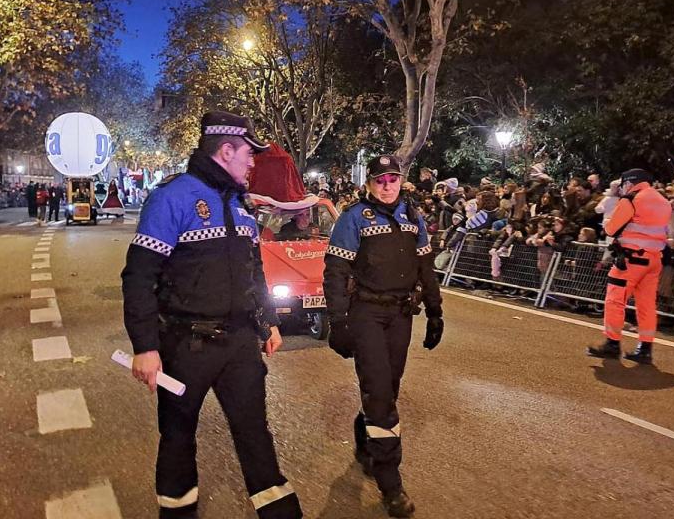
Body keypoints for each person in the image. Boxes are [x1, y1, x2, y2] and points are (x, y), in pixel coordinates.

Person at [121, 110, 302, 519]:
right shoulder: (172, 198)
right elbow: (139, 277)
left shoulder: (240, 205)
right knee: (178, 437)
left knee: (255, 434)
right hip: (186, 347)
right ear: (225, 151)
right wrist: (145, 347)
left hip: (239, 345)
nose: (253, 163)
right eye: (248, 155)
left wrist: (267, 320)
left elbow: (253, 272)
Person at [323, 154, 444, 518]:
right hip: (367, 314)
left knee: (388, 388)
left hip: (402, 314)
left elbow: (426, 267)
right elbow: (335, 271)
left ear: (400, 181)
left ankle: (366, 437)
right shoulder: (354, 217)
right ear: (370, 184)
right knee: (380, 395)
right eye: (380, 180)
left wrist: (436, 312)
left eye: (393, 179)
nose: (387, 185)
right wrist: (338, 321)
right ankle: (390, 483)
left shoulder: (412, 217)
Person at [588, 169, 672, 363]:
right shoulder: (664, 201)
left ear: (630, 182)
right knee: (647, 304)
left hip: (631, 259)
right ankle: (645, 348)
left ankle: (612, 344)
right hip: (654, 260)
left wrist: (608, 221)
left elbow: (611, 228)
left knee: (615, 300)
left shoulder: (632, 199)